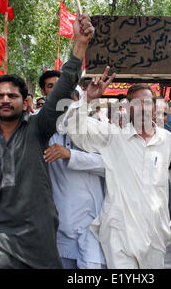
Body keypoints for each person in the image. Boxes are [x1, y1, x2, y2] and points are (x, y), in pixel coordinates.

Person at [59, 71, 171, 269]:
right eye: (136, 103)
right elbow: (72, 127)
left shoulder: (166, 139)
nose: (142, 107)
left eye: (147, 103)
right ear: (127, 109)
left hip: (154, 232)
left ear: (154, 109)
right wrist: (89, 97)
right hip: (120, 233)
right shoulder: (113, 137)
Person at [0, 13, 94, 269]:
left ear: (25, 100)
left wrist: (81, 45)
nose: (6, 100)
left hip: (38, 231)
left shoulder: (38, 128)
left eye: (12, 95)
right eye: (0, 96)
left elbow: (64, 87)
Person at [44, 86, 107, 269]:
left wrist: (71, 155)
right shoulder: (47, 134)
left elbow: (112, 166)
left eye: (72, 98)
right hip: (59, 226)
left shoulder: (98, 129)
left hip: (93, 224)